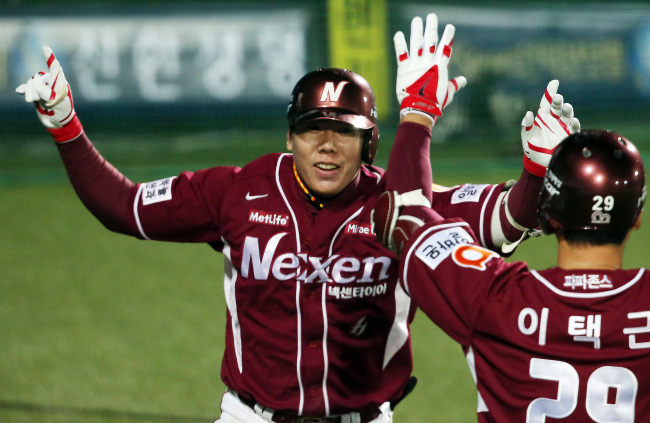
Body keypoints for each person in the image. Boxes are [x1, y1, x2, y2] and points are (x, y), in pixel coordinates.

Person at [15, 13, 578, 423]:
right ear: (290, 136)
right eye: (313, 130)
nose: (327, 146)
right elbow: (126, 207)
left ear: (371, 144)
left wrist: (536, 168)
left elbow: (510, 220)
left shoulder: (407, 206)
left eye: (345, 133)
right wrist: (66, 125)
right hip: (250, 418)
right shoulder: (235, 192)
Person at [374, 126, 649, 420]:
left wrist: (419, 113)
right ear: (636, 218)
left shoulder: (495, 298)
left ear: (545, 214)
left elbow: (407, 213)